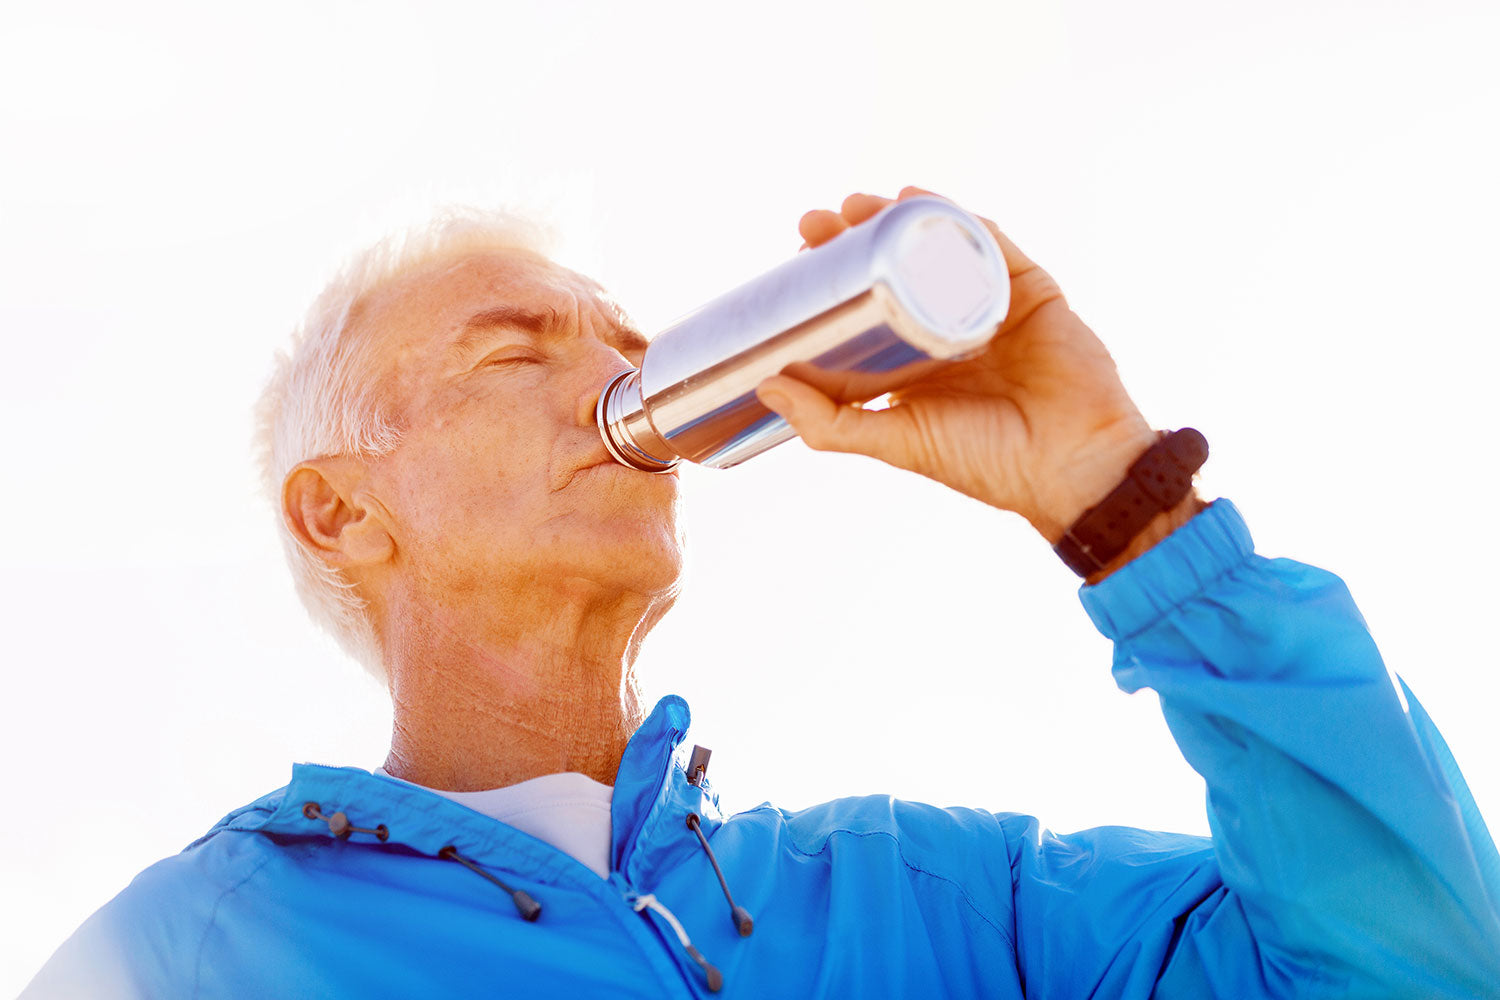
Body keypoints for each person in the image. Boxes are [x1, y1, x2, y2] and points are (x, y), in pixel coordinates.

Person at [23, 188, 1500, 998]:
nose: (619, 382)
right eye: (515, 352)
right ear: (340, 510)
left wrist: (1123, 497)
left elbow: (1413, 970)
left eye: (625, 345)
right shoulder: (194, 957)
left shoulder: (934, 907)